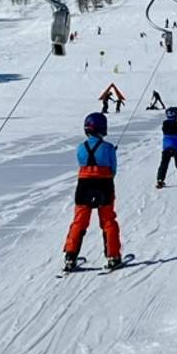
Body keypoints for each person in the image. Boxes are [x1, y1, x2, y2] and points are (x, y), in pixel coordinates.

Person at [64, 112, 124, 272]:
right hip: (104, 185)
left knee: (79, 221)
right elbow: (113, 171)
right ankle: (113, 256)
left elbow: (82, 163)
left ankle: (70, 257)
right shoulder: (109, 148)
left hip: (84, 186)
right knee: (108, 221)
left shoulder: (80, 148)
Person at [157, 107, 177, 189]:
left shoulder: (165, 124)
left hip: (166, 147)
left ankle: (160, 180)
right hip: (176, 147)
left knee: (163, 164)